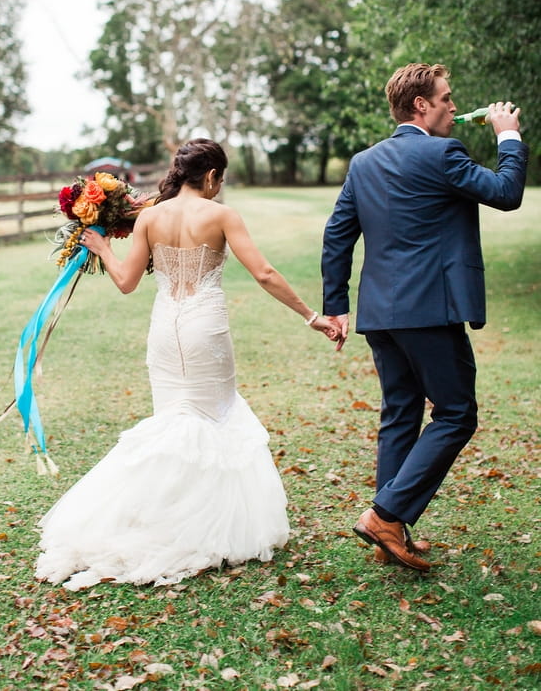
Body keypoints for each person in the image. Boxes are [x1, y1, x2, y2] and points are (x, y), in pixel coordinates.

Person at [36, 138, 339, 590]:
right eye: (222, 178)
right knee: (213, 420)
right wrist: (311, 316)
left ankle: (157, 516)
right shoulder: (221, 216)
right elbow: (265, 273)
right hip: (205, 329)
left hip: (164, 330)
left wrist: (102, 249)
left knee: (173, 422)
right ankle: (198, 526)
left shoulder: (152, 217)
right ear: (212, 176)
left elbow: (126, 282)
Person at [321, 63, 528, 571]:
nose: (455, 108)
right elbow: (506, 194)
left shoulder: (364, 162)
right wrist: (509, 137)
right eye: (447, 98)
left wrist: (336, 305)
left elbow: (337, 235)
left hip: (380, 314)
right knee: (457, 413)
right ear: (421, 105)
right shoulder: (443, 153)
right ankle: (386, 514)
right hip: (429, 310)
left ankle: (390, 531)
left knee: (400, 413)